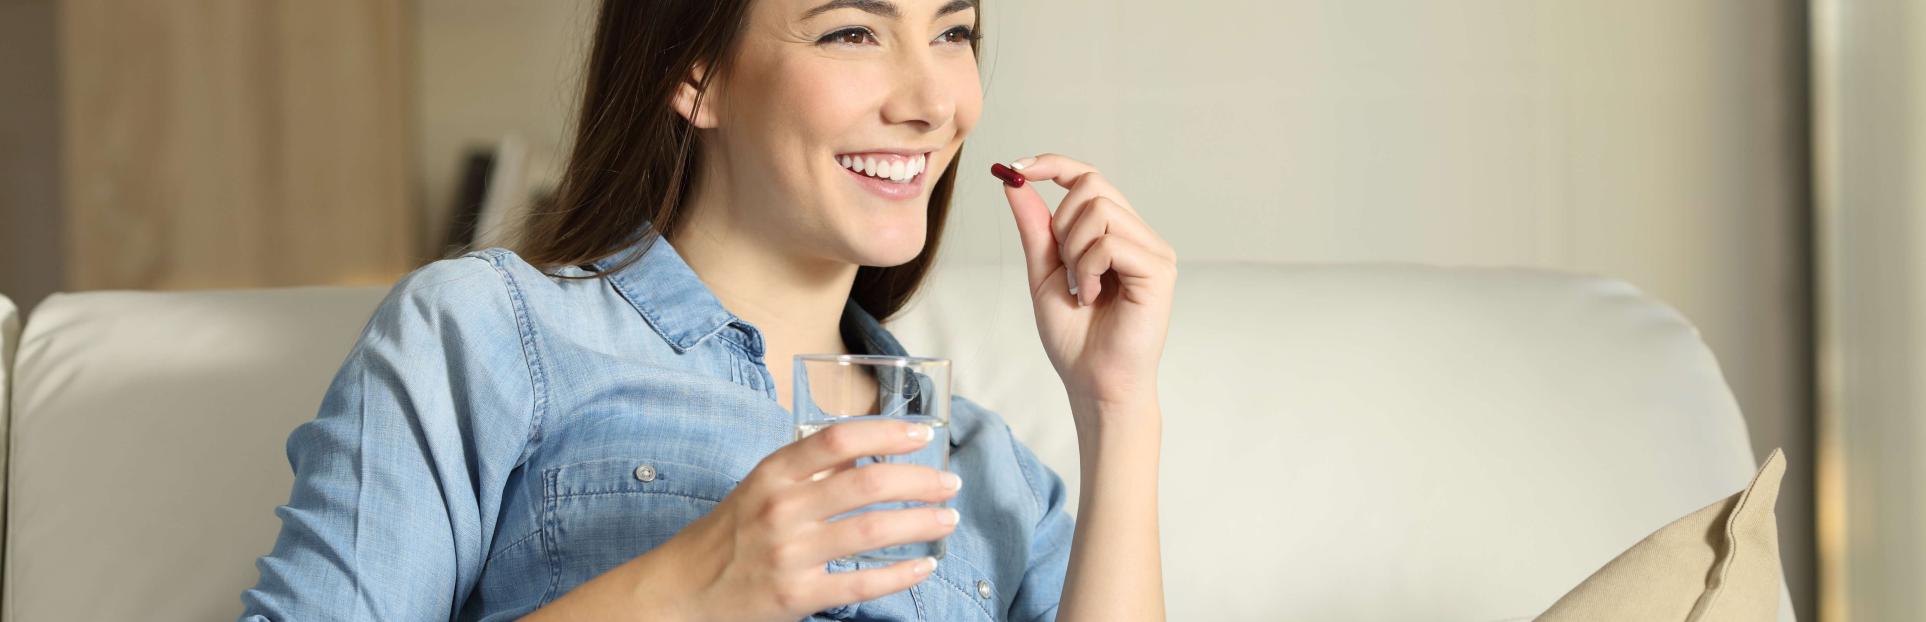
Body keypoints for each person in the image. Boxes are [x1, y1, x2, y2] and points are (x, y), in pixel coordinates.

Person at [238, 0, 1175, 619]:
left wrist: (1118, 406)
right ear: (695, 73)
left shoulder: (994, 473)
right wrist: (682, 589)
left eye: (954, 31)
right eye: (852, 31)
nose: (933, 102)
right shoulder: (490, 334)